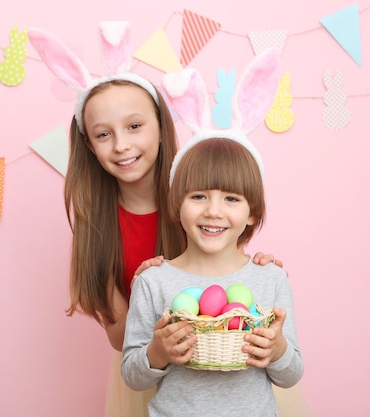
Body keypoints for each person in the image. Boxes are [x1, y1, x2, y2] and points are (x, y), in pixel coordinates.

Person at [28, 23, 282, 417]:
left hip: (228, 380)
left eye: (134, 126)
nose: (122, 145)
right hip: (154, 373)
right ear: (89, 146)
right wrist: (154, 291)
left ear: (162, 129)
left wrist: (257, 270)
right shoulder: (98, 226)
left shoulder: (198, 205)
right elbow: (119, 338)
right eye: (103, 134)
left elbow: (232, 286)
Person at [121, 54, 304, 416]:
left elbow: (291, 374)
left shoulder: (270, 279)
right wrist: (157, 353)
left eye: (231, 199)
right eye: (199, 196)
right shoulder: (154, 281)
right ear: (177, 206)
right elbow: (132, 375)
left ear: (252, 212)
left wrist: (277, 350)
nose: (213, 211)